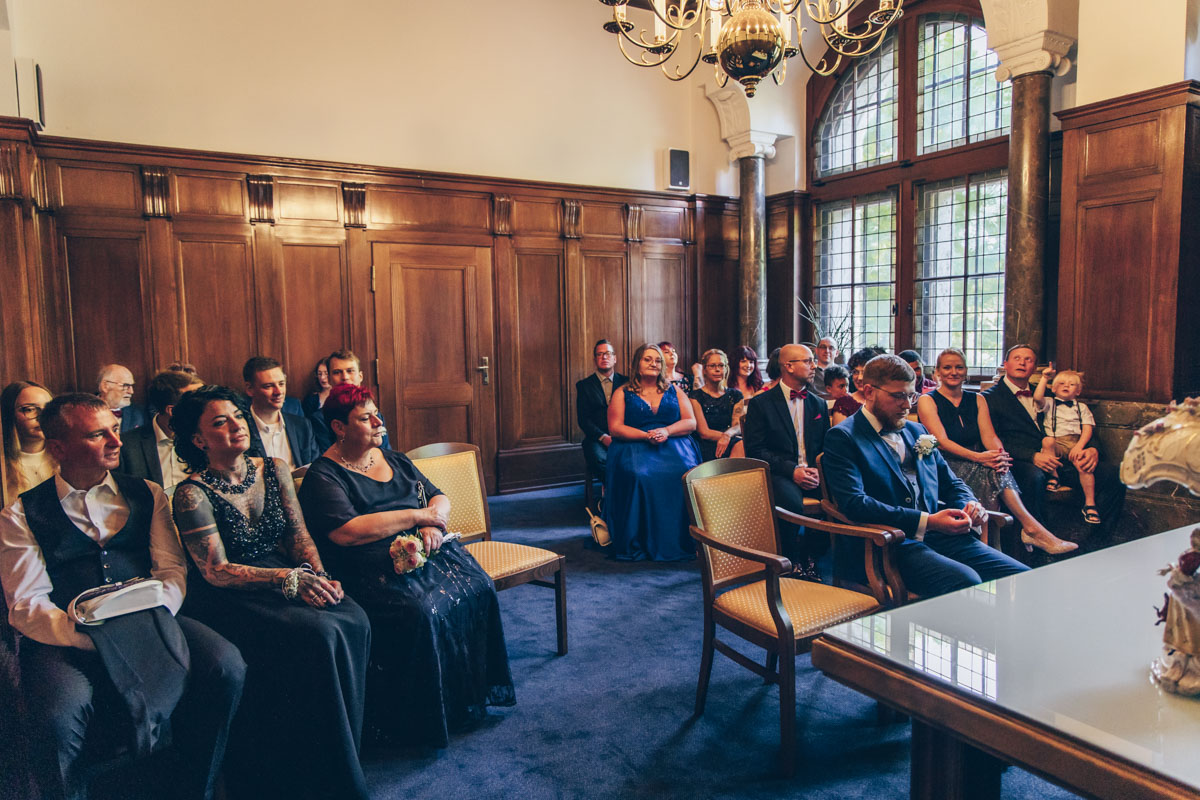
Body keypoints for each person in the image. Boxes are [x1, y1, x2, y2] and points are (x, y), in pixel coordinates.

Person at [0, 393, 245, 800]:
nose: (116, 441)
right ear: (59, 448)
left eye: (115, 429)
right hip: (67, 638)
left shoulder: (147, 493)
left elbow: (170, 573)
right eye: (98, 435)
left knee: (226, 666)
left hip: (150, 620)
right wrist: (94, 637)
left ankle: (193, 788)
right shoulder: (19, 514)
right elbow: (28, 605)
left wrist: (147, 622)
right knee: (58, 713)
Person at [169, 386, 372, 800]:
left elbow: (299, 534)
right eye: (219, 421)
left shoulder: (274, 468)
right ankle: (308, 768)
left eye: (238, 417)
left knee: (353, 618)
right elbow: (216, 570)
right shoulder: (191, 493)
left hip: (288, 572)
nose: (235, 425)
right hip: (232, 594)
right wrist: (286, 581)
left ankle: (343, 753)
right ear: (198, 439)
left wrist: (319, 575)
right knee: (319, 635)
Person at [297, 383, 514, 747]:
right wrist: (417, 515)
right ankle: (423, 716)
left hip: (424, 551)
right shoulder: (324, 475)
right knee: (421, 611)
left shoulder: (394, 458)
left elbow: (439, 497)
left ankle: (463, 699)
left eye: (376, 413)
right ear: (339, 427)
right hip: (370, 567)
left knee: (477, 585)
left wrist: (432, 521)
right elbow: (346, 533)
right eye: (366, 418)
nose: (379, 421)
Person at [823, 355, 1030, 597]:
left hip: (941, 537)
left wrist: (969, 503)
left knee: (1021, 577)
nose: (907, 405)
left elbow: (949, 481)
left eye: (912, 396)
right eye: (899, 396)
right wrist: (928, 521)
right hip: (886, 545)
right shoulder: (843, 437)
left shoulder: (918, 431)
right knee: (966, 582)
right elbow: (855, 504)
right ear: (869, 392)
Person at [916, 349, 1076, 555]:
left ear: (966, 372)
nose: (953, 372)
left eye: (959, 367)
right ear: (936, 372)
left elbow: (989, 436)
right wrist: (980, 457)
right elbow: (942, 442)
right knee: (987, 471)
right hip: (943, 464)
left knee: (999, 468)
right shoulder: (927, 400)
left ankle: (1011, 537)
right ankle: (1026, 530)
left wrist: (1000, 456)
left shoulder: (978, 399)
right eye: (947, 367)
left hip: (974, 460)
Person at [983, 345, 1125, 538]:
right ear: (1005, 364)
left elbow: (1077, 425)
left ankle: (1099, 540)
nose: (1022, 363)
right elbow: (993, 438)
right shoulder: (988, 398)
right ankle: (1039, 542)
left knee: (1114, 475)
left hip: (1064, 458)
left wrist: (1093, 449)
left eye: (1028, 359)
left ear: (1034, 368)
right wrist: (1033, 456)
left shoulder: (1050, 394)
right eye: (1017, 358)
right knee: (1035, 478)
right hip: (1022, 462)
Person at [603, 344, 701, 561]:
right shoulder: (623, 392)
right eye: (647, 359)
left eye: (657, 360)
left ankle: (683, 539)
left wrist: (666, 430)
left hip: (673, 441)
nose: (653, 364)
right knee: (640, 475)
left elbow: (690, 422)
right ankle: (641, 540)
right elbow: (615, 428)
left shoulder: (675, 390)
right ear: (637, 364)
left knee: (685, 472)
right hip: (634, 444)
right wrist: (645, 435)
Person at [742, 344, 831, 579]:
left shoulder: (818, 404)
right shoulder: (761, 404)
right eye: (808, 361)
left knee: (839, 493)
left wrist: (818, 470)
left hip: (813, 470)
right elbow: (755, 450)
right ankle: (788, 562)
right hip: (779, 471)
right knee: (790, 501)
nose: (814, 366)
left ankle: (812, 556)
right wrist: (793, 471)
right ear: (788, 366)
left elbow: (825, 447)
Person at [1033, 366, 1102, 523]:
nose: (1066, 386)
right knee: (1047, 441)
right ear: (1054, 389)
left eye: (1071, 385)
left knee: (1084, 466)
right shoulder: (1049, 403)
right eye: (1062, 383)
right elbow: (1037, 397)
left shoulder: (1081, 407)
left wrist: (1080, 446)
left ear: (1078, 391)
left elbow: (1087, 428)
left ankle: (1090, 504)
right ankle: (1054, 475)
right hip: (1057, 442)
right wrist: (1045, 378)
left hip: (1076, 442)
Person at [118, 369, 204, 491]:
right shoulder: (126, 446)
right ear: (172, 411)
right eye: (196, 404)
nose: (205, 409)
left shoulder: (207, 439)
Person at [243, 356, 320, 469]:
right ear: (250, 389)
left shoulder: (302, 426)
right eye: (269, 386)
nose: (278, 392)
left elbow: (317, 469)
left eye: (281, 384)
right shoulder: (240, 430)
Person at [312, 349, 390, 452]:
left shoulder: (376, 417)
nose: (345, 377)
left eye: (350, 371)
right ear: (329, 379)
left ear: (360, 376)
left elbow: (385, 453)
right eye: (337, 372)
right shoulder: (319, 419)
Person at [576, 339, 628, 477]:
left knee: (632, 460)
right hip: (596, 438)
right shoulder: (584, 385)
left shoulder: (627, 383)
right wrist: (603, 437)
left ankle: (619, 493)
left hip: (624, 435)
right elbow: (583, 420)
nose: (604, 357)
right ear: (595, 360)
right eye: (599, 354)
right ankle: (612, 493)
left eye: (608, 353)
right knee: (600, 460)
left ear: (615, 358)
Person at [2, 380, 56, 502]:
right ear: (9, 414)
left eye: (48, 408)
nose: (42, 416)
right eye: (30, 409)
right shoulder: (3, 465)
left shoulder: (67, 457)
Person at [689, 349, 743, 462]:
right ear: (704, 370)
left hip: (729, 439)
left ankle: (733, 479)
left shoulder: (736, 395)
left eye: (721, 365)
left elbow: (738, 425)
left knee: (741, 444)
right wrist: (724, 437)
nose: (717, 369)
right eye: (712, 366)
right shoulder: (695, 396)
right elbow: (704, 432)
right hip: (706, 442)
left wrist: (728, 435)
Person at [832, 347, 877, 425]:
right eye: (856, 372)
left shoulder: (884, 400)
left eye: (864, 372)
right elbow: (839, 436)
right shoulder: (844, 403)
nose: (859, 378)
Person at [97, 363, 147, 432]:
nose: (131, 392)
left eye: (131, 386)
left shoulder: (139, 413)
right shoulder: (86, 412)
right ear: (105, 386)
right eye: (125, 386)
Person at [301, 357, 332, 422]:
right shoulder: (310, 399)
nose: (322, 377)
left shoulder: (343, 396)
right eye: (320, 374)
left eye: (326, 373)